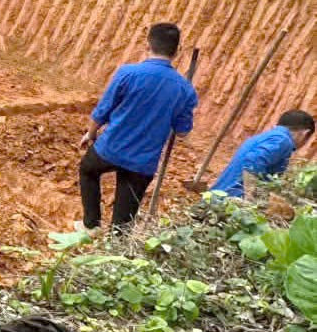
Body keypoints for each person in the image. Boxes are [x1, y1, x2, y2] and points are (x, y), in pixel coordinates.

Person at [78, 23, 198, 232]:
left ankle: (91, 224)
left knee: (88, 170)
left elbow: (102, 110)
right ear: (177, 51)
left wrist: (91, 133)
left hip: (111, 148)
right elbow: (182, 131)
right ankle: (114, 250)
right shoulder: (185, 89)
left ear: (147, 45)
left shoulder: (128, 73)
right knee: (123, 223)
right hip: (143, 163)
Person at [211, 110, 314, 199]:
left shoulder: (269, 136)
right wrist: (250, 199)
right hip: (231, 198)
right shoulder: (283, 140)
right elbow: (253, 162)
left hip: (219, 195)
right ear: (304, 134)